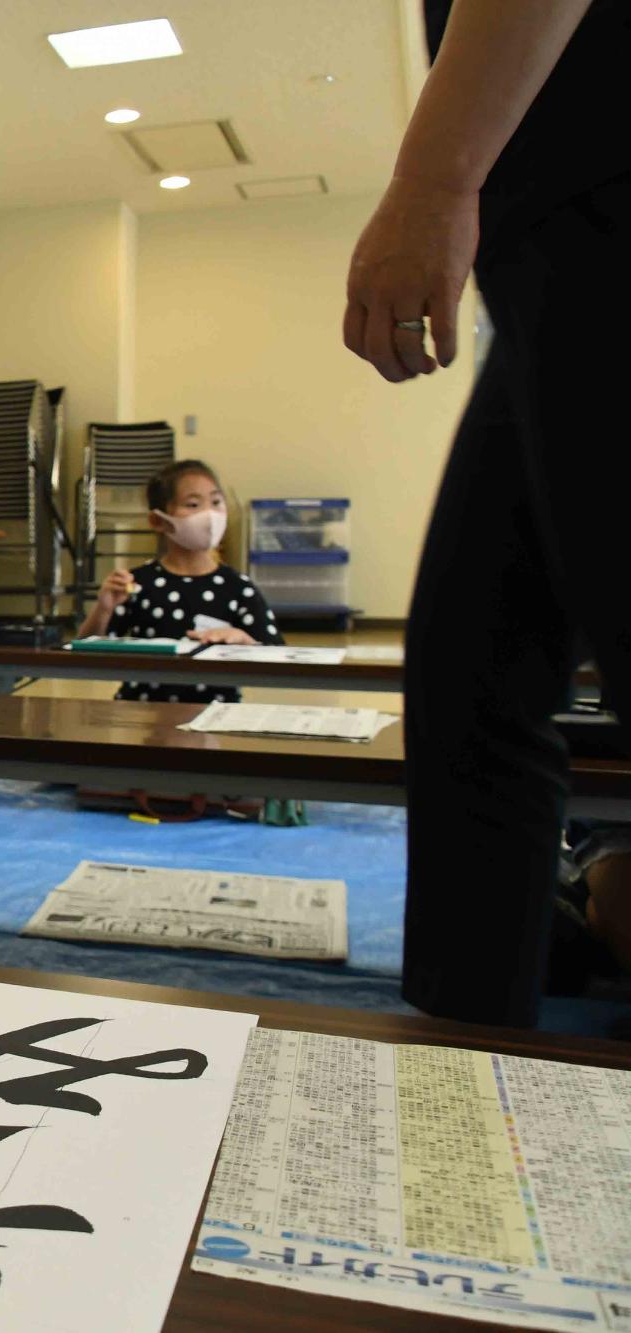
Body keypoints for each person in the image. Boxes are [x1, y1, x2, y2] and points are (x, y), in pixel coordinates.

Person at [343, 0, 631, 1025]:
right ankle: (462, 1047)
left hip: (598, 192)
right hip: (544, 228)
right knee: (471, 672)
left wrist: (430, 180)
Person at [75, 458, 284, 704]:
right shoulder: (137, 584)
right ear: (158, 520)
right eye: (193, 504)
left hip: (214, 716)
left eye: (216, 502)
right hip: (144, 716)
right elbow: (84, 653)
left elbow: (279, 657)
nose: (210, 514)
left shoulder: (238, 587)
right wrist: (104, 608)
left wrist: (243, 639)